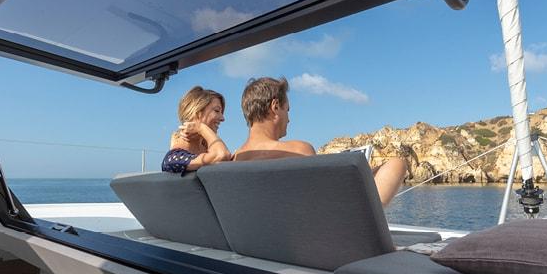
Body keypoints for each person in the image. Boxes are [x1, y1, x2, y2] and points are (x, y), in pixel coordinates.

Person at [234, 77, 408, 206]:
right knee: (397, 164)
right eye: (288, 110)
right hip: (323, 235)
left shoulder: (233, 160)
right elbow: (327, 196)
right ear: (275, 107)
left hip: (268, 238)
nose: (289, 119)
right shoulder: (298, 150)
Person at [161, 86, 231, 174]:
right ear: (197, 113)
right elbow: (222, 155)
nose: (222, 118)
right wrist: (200, 127)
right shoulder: (174, 158)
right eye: (217, 111)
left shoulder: (207, 151)